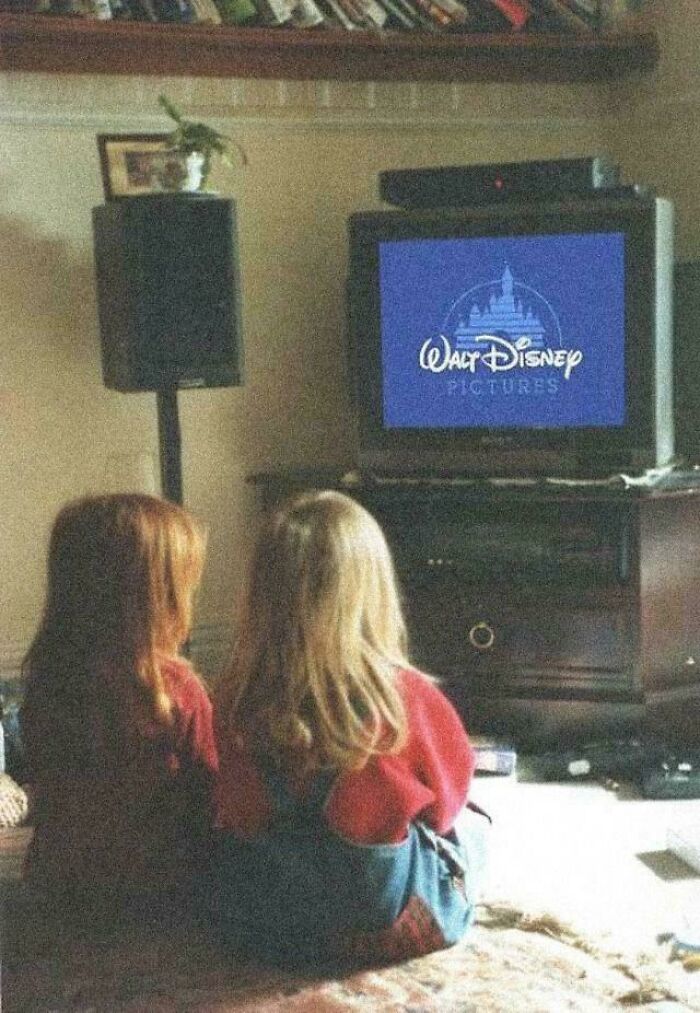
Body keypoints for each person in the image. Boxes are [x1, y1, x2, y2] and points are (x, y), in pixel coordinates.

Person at [208, 489, 490, 966]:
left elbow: (236, 813)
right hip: (385, 925)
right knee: (475, 827)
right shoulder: (405, 700)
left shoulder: (235, 703)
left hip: (275, 927)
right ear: (372, 594)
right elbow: (445, 805)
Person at [20, 493, 218, 923]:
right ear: (154, 599)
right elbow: (211, 798)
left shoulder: (46, 682)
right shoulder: (177, 689)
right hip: (162, 893)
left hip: (62, 888)